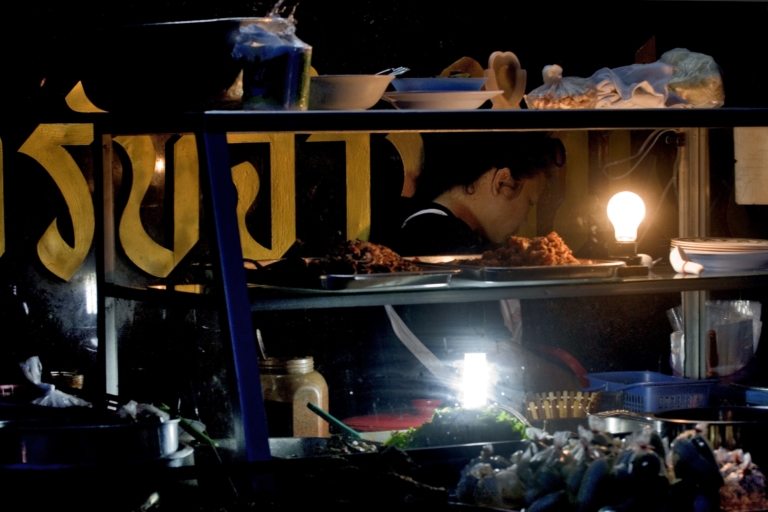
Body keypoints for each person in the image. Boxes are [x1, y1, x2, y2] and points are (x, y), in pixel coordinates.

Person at [389, 131, 565, 257]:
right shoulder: (443, 240)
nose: (525, 220)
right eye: (529, 202)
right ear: (502, 182)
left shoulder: (430, 228)